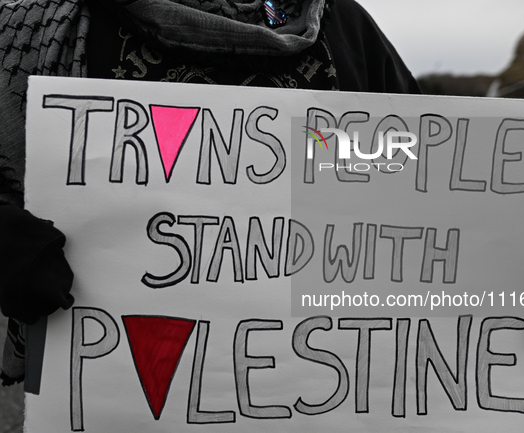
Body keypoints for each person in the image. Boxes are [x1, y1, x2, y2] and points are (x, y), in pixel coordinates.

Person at [0, 0, 420, 385]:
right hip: (110, 388)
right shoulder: (47, 25)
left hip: (314, 381)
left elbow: (421, 176)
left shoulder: (343, 26)